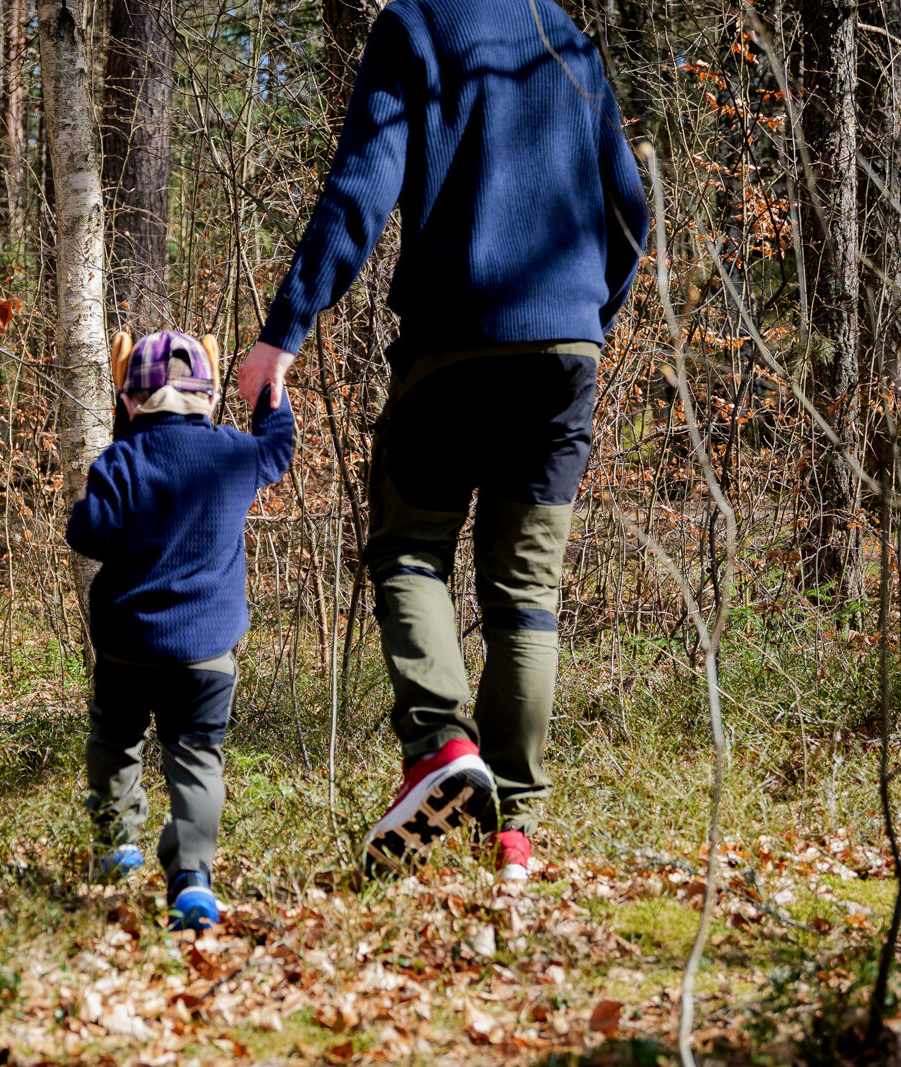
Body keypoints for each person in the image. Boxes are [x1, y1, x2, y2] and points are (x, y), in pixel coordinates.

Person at [239, 0, 648, 880]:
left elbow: (362, 183)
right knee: (525, 592)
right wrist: (585, 319)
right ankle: (513, 829)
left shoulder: (416, 24)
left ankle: (438, 747)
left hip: (453, 345)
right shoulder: (563, 34)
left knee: (409, 550)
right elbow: (628, 210)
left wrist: (284, 329)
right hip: (565, 354)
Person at [67, 330, 294, 928]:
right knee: (197, 758)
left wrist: (119, 449)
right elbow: (278, 447)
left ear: (128, 401)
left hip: (127, 647)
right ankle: (192, 879)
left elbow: (87, 534)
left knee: (115, 740)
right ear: (211, 397)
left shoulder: (121, 462)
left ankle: (116, 844)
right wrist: (270, 389)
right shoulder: (235, 453)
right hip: (206, 652)